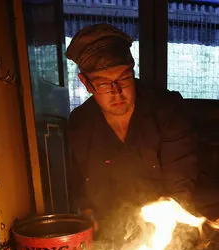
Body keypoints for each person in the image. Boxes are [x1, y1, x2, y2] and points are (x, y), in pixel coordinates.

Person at [65, 24, 198, 237]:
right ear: (86, 83)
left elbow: (179, 187)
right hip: (114, 225)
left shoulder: (167, 110)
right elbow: (82, 186)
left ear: (133, 70)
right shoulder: (81, 122)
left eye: (123, 78)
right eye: (103, 84)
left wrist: (159, 237)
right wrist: (89, 216)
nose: (116, 92)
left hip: (162, 223)